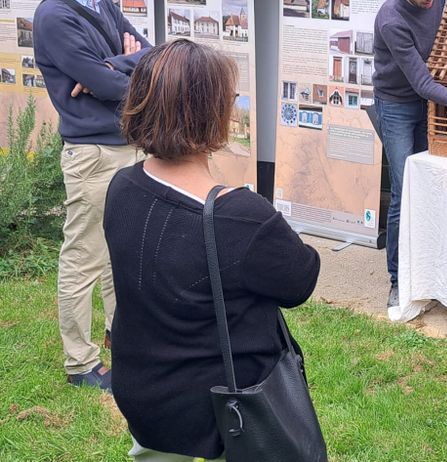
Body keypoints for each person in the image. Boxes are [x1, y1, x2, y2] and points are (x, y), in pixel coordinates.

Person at [104, 40, 321, 462]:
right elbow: (301, 278)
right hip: (225, 419)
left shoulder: (122, 186)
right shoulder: (241, 217)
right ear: (210, 112)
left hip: (144, 402)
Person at [33, 0, 151, 391]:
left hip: (124, 146)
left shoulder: (101, 3)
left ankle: (117, 336)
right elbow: (109, 87)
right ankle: (81, 364)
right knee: (83, 255)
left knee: (118, 252)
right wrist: (115, 71)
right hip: (93, 155)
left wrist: (116, 61)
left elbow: (151, 53)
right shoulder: (55, 16)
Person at [373, 0, 447, 308]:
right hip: (396, 104)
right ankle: (398, 279)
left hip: (427, 100)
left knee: (432, 181)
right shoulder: (391, 19)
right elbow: (421, 83)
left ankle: (434, 271)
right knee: (403, 190)